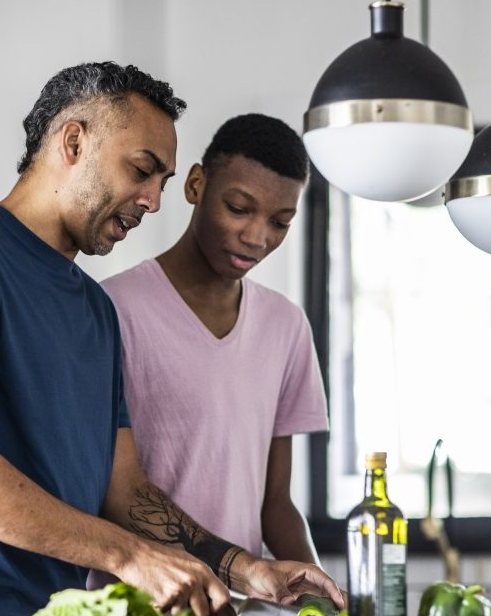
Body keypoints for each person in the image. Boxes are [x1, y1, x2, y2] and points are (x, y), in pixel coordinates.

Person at [0, 63, 342, 616]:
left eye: (162, 180)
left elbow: (126, 490)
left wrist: (245, 568)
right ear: (74, 142)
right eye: (141, 171)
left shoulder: (93, 309)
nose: (153, 200)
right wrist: (132, 558)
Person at [100, 114, 327, 569]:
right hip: (140, 614)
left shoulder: (286, 326)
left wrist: (327, 602)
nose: (257, 237)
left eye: (280, 222)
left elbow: (275, 505)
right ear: (196, 185)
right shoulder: (111, 308)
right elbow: (110, 490)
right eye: (239, 208)